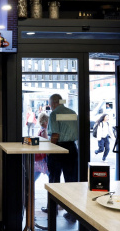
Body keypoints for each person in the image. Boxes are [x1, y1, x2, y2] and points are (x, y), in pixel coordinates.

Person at [47, 94, 79, 222]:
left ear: (54, 103)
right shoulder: (72, 112)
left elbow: (55, 134)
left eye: (50, 103)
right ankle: (72, 213)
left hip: (58, 148)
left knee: (54, 180)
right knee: (71, 182)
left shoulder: (54, 114)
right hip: (71, 149)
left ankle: (52, 209)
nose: (50, 106)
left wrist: (50, 151)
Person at [36, 112, 49, 213]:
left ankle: (27, 197)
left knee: (32, 179)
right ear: (45, 122)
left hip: (38, 160)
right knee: (52, 180)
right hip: (43, 160)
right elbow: (46, 145)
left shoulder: (40, 130)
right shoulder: (44, 131)